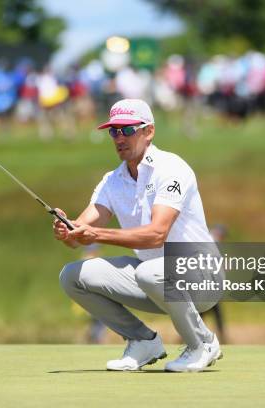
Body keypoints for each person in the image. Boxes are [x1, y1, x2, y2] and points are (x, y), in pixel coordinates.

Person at [53, 99, 222, 372]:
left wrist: (95, 234)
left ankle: (202, 343)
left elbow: (157, 234)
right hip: (155, 279)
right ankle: (142, 341)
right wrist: (68, 230)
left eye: (127, 130)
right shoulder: (112, 181)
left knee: (150, 273)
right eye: (113, 131)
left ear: (149, 131)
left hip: (201, 276)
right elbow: (80, 233)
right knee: (72, 277)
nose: (119, 138)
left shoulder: (172, 168)